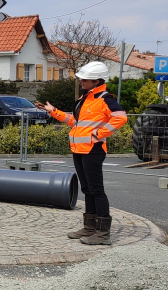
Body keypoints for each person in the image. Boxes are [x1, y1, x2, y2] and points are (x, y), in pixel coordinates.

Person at [35, 61, 127, 245]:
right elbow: (74, 122)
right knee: (87, 189)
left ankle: (102, 234)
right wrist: (53, 111)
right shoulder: (84, 99)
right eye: (82, 78)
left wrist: (100, 133)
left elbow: (121, 117)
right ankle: (90, 227)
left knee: (96, 190)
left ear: (97, 81)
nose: (82, 81)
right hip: (79, 150)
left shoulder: (105, 99)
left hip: (93, 150)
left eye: (86, 79)